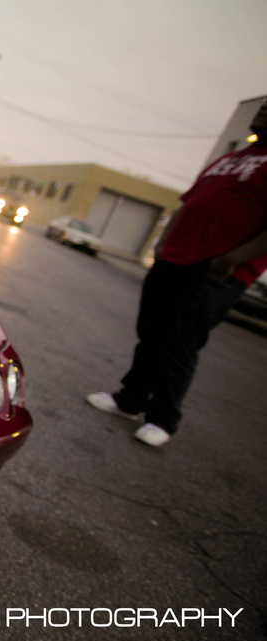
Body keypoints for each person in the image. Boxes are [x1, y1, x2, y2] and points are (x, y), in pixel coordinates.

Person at [86, 97, 267, 447]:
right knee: (151, 332)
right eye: (262, 106)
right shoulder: (232, 158)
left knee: (180, 344)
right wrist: (163, 241)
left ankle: (163, 418)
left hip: (216, 269)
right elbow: (189, 203)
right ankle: (130, 400)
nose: (262, 111)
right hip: (174, 258)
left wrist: (233, 258)